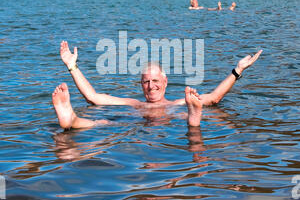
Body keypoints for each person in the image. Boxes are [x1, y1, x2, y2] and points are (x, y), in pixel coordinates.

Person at [52, 41, 262, 129]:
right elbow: (93, 97)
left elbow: (214, 97)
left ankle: (194, 118)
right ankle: (72, 119)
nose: (151, 86)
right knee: (104, 123)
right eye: (146, 82)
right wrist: (72, 67)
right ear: (140, 85)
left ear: (165, 82)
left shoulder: (180, 102)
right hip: (135, 122)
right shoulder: (133, 103)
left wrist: (238, 70)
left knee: (190, 114)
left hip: (173, 117)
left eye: (155, 81)